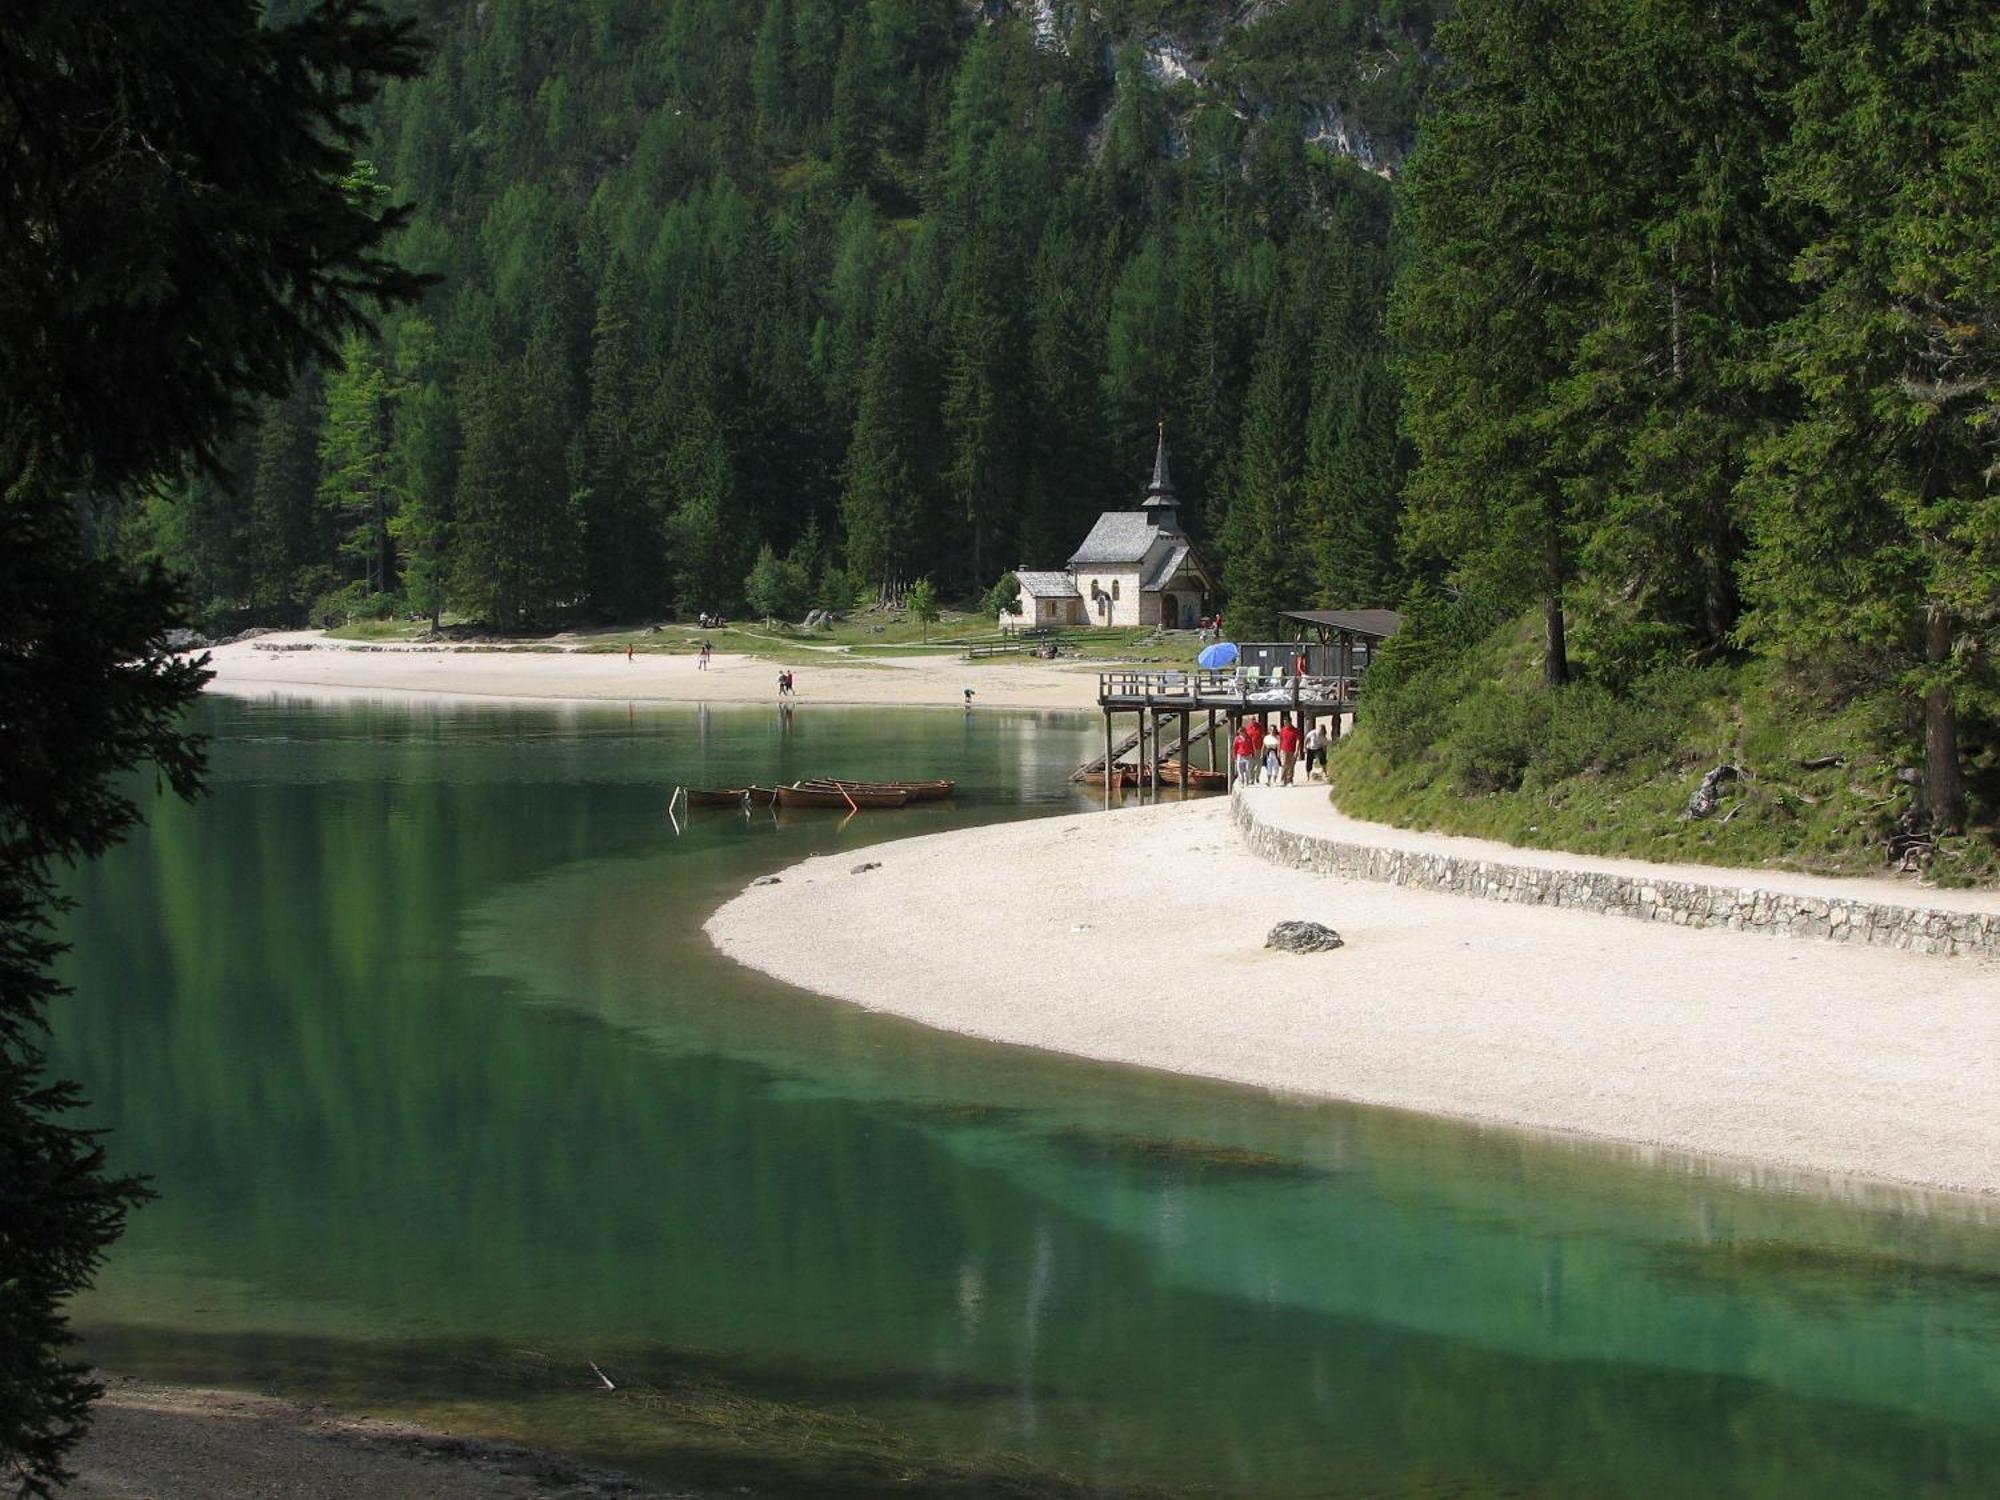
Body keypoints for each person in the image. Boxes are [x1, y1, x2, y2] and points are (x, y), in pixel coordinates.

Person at [1279, 716, 1302, 784]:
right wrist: (1279, 750)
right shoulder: (1282, 730)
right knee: (1284, 764)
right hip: (1284, 750)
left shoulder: (1295, 730)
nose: (1285, 724)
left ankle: (1290, 780)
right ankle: (1283, 780)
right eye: (1284, 722)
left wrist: (1297, 750)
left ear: (1290, 722)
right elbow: (1280, 740)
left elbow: (1298, 741)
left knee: (1291, 765)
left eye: (1286, 722)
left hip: (1292, 750)